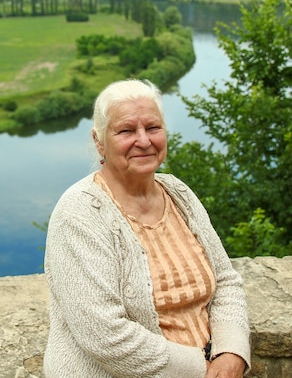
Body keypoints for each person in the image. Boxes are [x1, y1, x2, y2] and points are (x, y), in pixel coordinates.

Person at [43, 79, 250, 378]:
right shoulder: (78, 213)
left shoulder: (179, 193)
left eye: (152, 128)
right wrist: (201, 370)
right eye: (126, 130)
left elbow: (226, 281)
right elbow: (103, 334)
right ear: (99, 140)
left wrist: (231, 353)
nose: (143, 140)